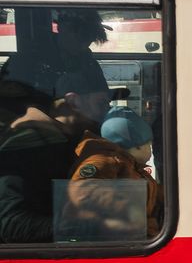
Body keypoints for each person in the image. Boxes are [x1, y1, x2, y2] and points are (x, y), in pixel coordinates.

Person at [0, 69, 110, 243]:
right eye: (101, 104)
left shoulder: (65, 140)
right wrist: (93, 227)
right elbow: (11, 224)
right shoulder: (28, 143)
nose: (106, 112)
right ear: (73, 101)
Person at [63, 106, 162, 240]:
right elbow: (83, 190)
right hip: (116, 237)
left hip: (137, 235)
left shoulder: (133, 166)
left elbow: (153, 193)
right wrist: (128, 207)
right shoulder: (104, 160)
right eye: (148, 145)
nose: (150, 150)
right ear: (138, 145)